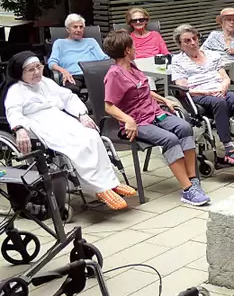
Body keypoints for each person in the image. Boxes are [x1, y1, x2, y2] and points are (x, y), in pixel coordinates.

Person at [4, 51, 137, 211]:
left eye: (38, 67)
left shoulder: (46, 82)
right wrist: (19, 129)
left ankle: (111, 183)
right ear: (20, 73)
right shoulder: (16, 91)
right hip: (39, 125)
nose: (37, 72)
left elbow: (68, 97)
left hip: (60, 119)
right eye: (31, 70)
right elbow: (13, 112)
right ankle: (99, 189)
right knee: (76, 146)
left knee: (92, 136)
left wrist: (82, 115)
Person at [102, 30, 210, 206]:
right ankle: (188, 190)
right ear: (127, 50)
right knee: (170, 139)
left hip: (155, 113)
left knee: (184, 127)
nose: (135, 48)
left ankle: (193, 180)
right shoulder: (114, 75)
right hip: (138, 121)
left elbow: (144, 90)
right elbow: (109, 106)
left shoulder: (133, 66)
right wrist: (128, 120)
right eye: (133, 46)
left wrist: (163, 99)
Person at [171, 24, 234, 167]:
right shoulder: (177, 61)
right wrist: (206, 92)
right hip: (198, 94)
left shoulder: (212, 55)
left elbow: (225, 77)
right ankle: (228, 148)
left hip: (219, 89)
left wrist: (224, 87)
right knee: (219, 103)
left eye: (194, 38)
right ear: (180, 44)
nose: (193, 43)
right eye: (187, 41)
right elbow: (183, 88)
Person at [47, 13, 107, 94]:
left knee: (109, 87)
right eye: (75, 27)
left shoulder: (91, 42)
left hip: (92, 74)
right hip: (72, 75)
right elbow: (51, 63)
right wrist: (63, 71)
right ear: (68, 29)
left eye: (81, 27)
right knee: (70, 91)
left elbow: (104, 59)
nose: (78, 29)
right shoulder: (60, 43)